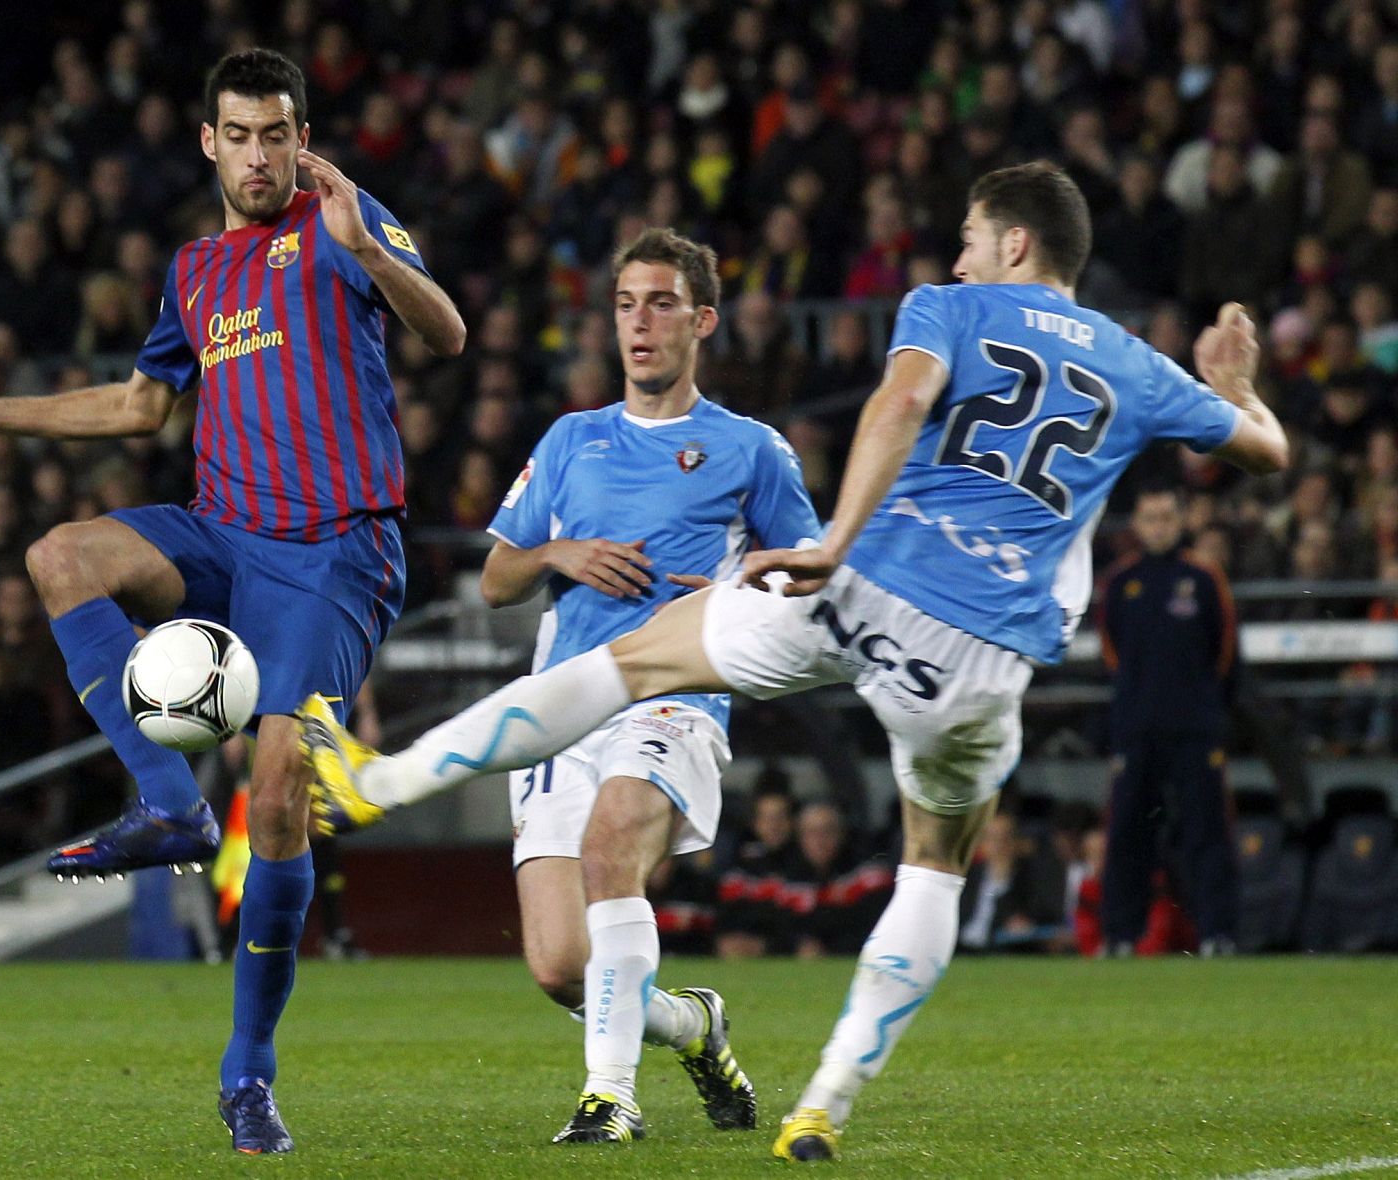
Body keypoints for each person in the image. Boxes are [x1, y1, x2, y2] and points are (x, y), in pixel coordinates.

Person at [298, 161, 1286, 1162]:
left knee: (630, 700)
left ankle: (389, 788)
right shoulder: (1138, 365)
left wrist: (829, 541)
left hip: (861, 584)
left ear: (1014, 246)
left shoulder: (932, 318)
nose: (956, 255)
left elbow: (897, 407)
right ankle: (816, 1098)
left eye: (971, 236)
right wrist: (1236, 390)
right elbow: (1265, 452)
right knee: (916, 876)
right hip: (977, 662)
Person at [0, 48, 464, 1155]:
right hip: (224, 535)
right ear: (209, 142)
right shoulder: (195, 269)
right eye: (239, 135)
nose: (259, 154)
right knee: (61, 556)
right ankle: (169, 804)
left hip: (335, 548)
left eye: (277, 133)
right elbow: (143, 405)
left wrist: (370, 257)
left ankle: (247, 1073)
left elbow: (446, 332)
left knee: (281, 789)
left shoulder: (341, 217)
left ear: (301, 136)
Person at [479, 227, 818, 1143]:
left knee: (610, 843)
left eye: (662, 302)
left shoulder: (752, 452)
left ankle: (609, 1098)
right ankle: (694, 1025)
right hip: (562, 706)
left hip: (674, 697)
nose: (641, 322)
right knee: (560, 966)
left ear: (702, 320)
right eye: (628, 303)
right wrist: (561, 553)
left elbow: (814, 573)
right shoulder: (570, 440)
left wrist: (748, 589)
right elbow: (497, 580)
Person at [1099, 487, 1240, 957]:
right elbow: (1111, 652)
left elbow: (1225, 652)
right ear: (1136, 524)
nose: (1158, 525)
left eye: (1166, 516)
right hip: (1136, 728)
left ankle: (1218, 934)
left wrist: (1202, 707)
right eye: (1149, 517)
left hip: (1194, 729)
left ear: (1181, 521)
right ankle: (1120, 935)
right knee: (1126, 833)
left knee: (1207, 830)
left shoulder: (1203, 578)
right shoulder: (1120, 582)